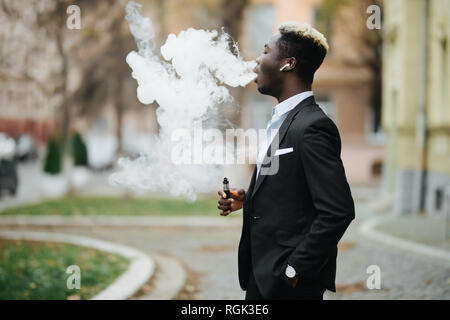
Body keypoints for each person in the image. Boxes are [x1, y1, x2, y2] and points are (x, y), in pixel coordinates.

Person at [217, 22, 355, 300]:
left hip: (286, 283)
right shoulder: (283, 121)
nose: (257, 59)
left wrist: (295, 270)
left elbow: (337, 211)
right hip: (264, 273)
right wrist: (249, 198)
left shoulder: (312, 127)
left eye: (265, 51)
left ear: (287, 64)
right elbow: (294, 189)